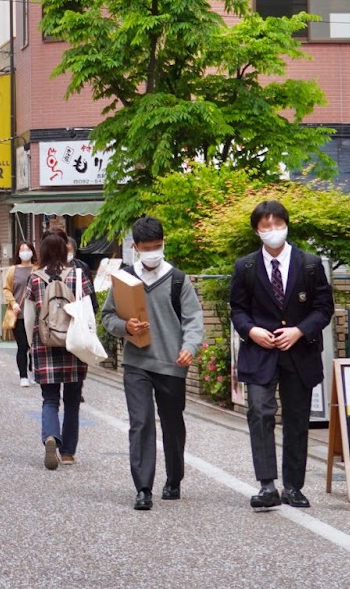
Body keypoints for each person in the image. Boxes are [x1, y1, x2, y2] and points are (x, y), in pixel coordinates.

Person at [230, 199, 334, 511]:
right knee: (260, 412)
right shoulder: (245, 267)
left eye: (278, 224)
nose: (272, 230)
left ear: (286, 226)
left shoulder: (311, 264)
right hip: (259, 353)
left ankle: (293, 486)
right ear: (256, 230)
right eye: (266, 225)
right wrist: (251, 331)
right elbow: (237, 309)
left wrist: (299, 330)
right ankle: (267, 485)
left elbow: (323, 308)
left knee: (296, 418)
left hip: (299, 352)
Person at [100, 217, 204, 510]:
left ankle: (174, 478)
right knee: (141, 422)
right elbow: (108, 316)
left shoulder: (178, 279)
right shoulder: (125, 279)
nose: (153, 253)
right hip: (137, 363)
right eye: (147, 248)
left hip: (171, 362)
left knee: (172, 423)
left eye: (157, 247)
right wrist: (125, 327)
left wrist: (189, 347)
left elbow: (194, 319)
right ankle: (143, 488)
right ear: (135, 247)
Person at [24, 231, 87, 470]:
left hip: (45, 343)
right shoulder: (77, 276)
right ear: (64, 251)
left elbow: (29, 317)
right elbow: (87, 309)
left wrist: (31, 345)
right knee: (72, 401)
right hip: (73, 343)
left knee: (50, 399)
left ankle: (51, 436)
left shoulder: (35, 278)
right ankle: (68, 453)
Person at [2, 243, 35, 387]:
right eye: (22, 250)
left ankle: (33, 371)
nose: (25, 252)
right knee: (22, 346)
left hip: (35, 315)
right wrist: (13, 303)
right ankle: (23, 376)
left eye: (27, 249)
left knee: (34, 346)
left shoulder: (38, 269)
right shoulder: (12, 270)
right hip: (19, 314)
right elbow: (7, 289)